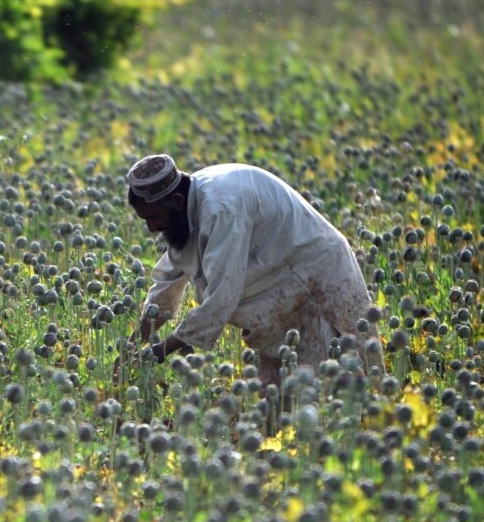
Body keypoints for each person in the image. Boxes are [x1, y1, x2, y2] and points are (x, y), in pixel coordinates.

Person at [115, 154, 383, 388]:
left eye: (153, 217)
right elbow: (166, 288)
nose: (151, 228)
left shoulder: (221, 208)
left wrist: (160, 352)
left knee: (335, 383)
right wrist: (131, 347)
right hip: (280, 284)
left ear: (174, 199)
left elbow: (222, 298)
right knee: (278, 397)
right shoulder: (185, 209)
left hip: (317, 277)